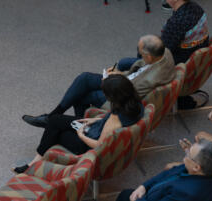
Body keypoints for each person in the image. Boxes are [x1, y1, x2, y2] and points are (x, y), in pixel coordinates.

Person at [22, 35, 175, 128]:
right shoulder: (163, 52)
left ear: (148, 57)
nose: (139, 56)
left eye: (141, 53)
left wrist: (113, 78)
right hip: (127, 82)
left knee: (80, 95)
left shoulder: (150, 79)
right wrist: (120, 73)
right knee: (84, 79)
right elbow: (136, 72)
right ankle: (55, 117)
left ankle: (70, 123)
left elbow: (123, 91)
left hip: (120, 98)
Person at [13, 74, 144, 174]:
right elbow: (112, 124)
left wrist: (81, 134)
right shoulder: (135, 103)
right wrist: (95, 120)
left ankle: (32, 165)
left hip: (85, 145)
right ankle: (38, 155)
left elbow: (99, 145)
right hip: (95, 129)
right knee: (55, 121)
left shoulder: (116, 119)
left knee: (53, 132)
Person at [119, 0, 208, 69]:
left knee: (124, 62)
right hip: (193, 53)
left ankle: (143, 70)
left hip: (177, 61)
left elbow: (162, 52)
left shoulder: (176, 22)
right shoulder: (197, 8)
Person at [115, 138, 212, 201]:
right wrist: (144, 186)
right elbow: (171, 171)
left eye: (188, 154)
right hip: (154, 192)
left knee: (124, 195)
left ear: (196, 167)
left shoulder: (187, 193)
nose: (186, 154)